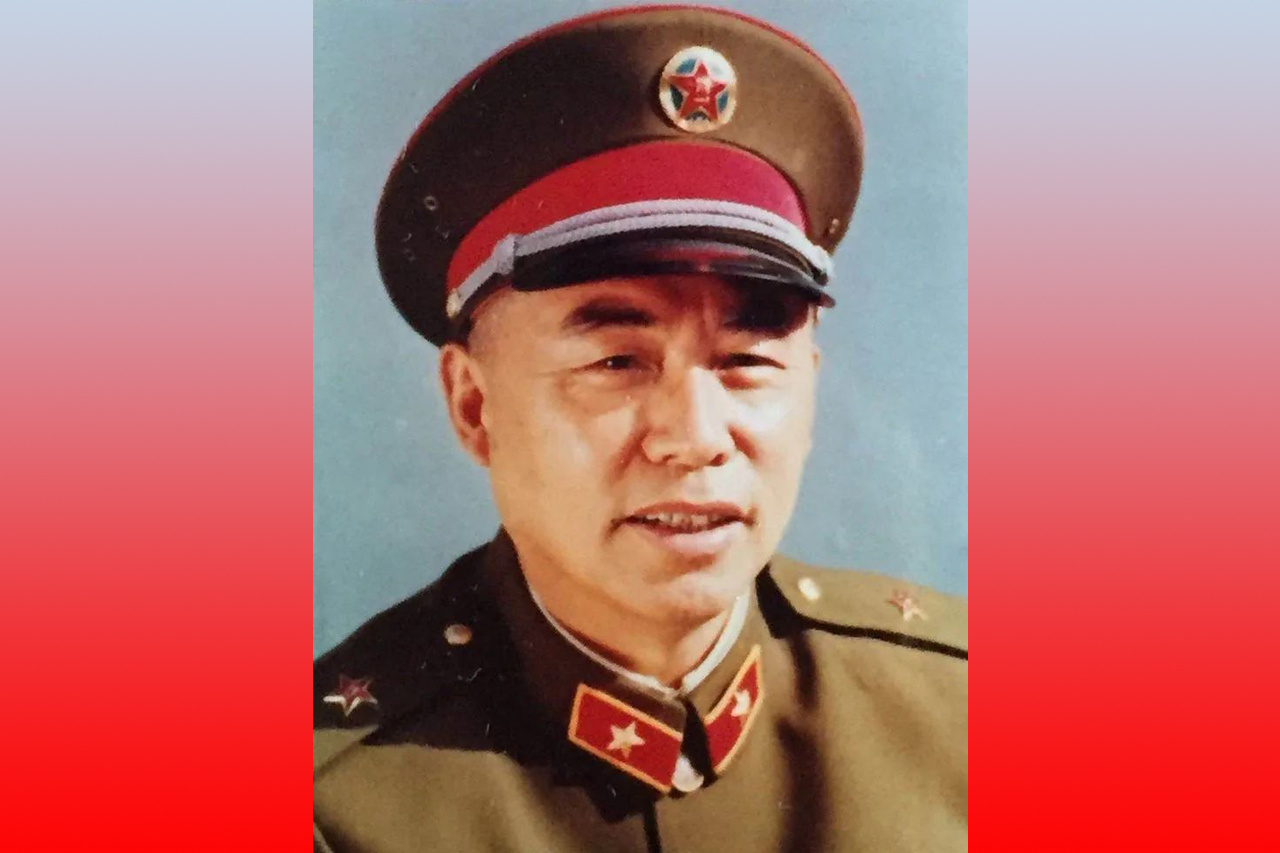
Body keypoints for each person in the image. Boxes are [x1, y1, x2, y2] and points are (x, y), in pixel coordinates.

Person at [314, 6, 966, 851]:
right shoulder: (334, 807)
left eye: (746, 359)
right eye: (617, 361)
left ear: (809, 384)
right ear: (474, 405)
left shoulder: (959, 712)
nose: (695, 437)